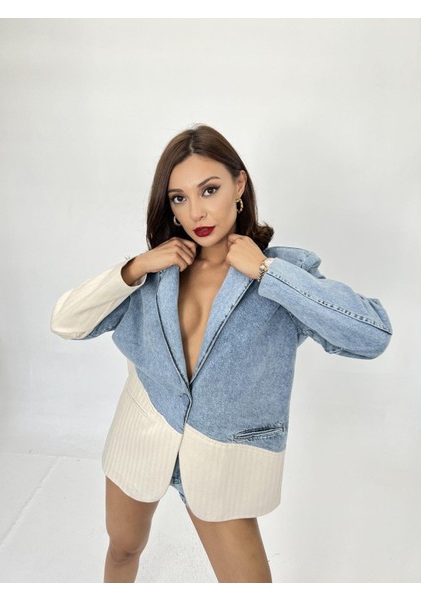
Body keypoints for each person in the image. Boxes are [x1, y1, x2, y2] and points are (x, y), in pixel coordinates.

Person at [50, 124, 393, 583]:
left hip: (222, 458)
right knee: (123, 549)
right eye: (179, 198)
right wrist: (135, 267)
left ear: (239, 184)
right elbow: (66, 322)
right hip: (143, 435)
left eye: (209, 190)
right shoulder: (156, 271)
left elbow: (372, 336)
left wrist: (268, 272)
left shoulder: (283, 272)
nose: (196, 211)